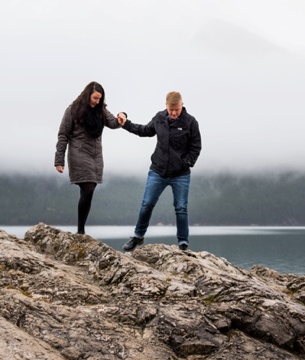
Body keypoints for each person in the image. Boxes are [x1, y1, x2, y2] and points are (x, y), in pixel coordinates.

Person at [117, 91, 202, 251]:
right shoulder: (159, 118)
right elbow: (144, 130)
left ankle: (183, 244)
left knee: (181, 208)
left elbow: (196, 146)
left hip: (181, 174)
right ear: (166, 106)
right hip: (158, 170)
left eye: (176, 109)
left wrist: (186, 163)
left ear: (181, 105)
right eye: (171, 110)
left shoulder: (191, 122)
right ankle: (137, 237)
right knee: (147, 204)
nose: (174, 113)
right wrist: (126, 123)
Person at [55, 81, 121, 235]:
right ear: (87, 95)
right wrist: (59, 160)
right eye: (95, 98)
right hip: (79, 152)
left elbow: (112, 122)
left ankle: (81, 229)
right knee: (88, 187)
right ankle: (81, 230)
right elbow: (63, 134)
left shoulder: (101, 110)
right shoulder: (73, 109)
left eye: (100, 99)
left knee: (89, 191)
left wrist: (122, 116)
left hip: (96, 155)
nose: (97, 102)